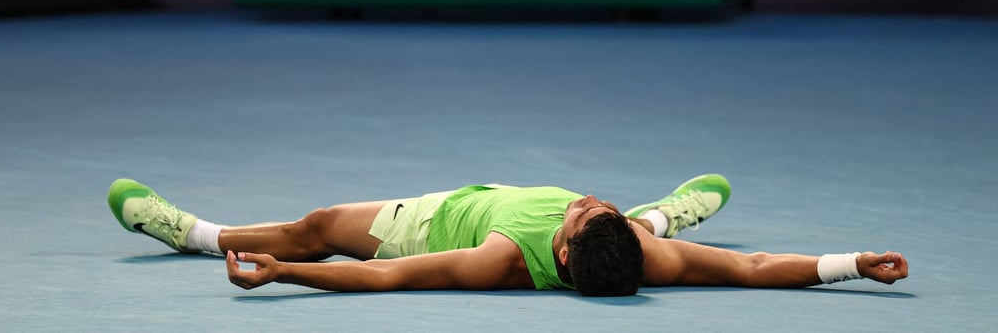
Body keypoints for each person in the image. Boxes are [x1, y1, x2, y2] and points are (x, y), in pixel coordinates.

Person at [107, 174, 908, 296]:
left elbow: (384, 279)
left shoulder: (499, 259)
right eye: (599, 209)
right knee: (653, 226)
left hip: (429, 223)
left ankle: (198, 234)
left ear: (560, 249)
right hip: (624, 235)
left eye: (583, 214)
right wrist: (852, 263)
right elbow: (755, 265)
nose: (588, 200)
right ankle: (669, 210)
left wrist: (286, 272)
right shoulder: (634, 255)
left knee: (318, 229)